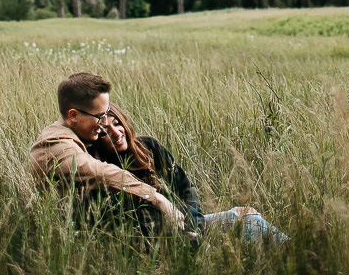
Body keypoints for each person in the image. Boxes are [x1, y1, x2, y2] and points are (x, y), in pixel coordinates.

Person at [91, 104, 288, 244]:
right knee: (236, 230)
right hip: (158, 239)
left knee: (246, 215)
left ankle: (287, 250)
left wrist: (193, 221)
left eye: (117, 124)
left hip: (189, 222)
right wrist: (175, 232)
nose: (116, 132)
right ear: (98, 139)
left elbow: (185, 189)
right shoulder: (103, 172)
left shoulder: (148, 146)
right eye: (106, 131)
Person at [28, 71, 188, 234]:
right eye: (100, 116)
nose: (104, 122)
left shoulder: (80, 136)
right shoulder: (55, 144)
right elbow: (99, 172)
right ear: (74, 115)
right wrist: (156, 198)